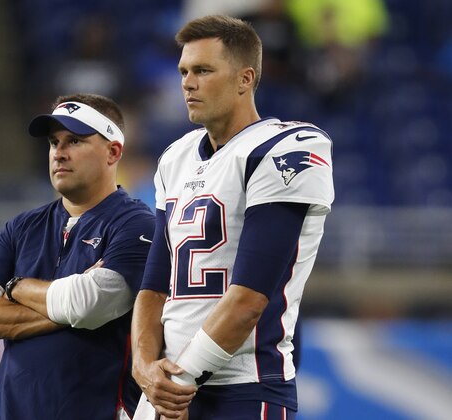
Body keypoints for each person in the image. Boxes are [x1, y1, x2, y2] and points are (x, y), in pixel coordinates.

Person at [131, 15, 334, 419]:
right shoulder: (176, 157)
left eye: (203, 70)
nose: (188, 82)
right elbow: (154, 286)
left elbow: (248, 301)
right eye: (184, 71)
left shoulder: (284, 146)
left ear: (245, 79)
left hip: (244, 386)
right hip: (169, 387)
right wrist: (143, 368)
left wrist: (177, 384)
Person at [0, 93, 155, 419]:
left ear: (113, 151)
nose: (59, 153)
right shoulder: (22, 227)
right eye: (54, 142)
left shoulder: (137, 223)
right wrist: (67, 309)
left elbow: (90, 304)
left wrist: (15, 287)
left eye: (75, 141)